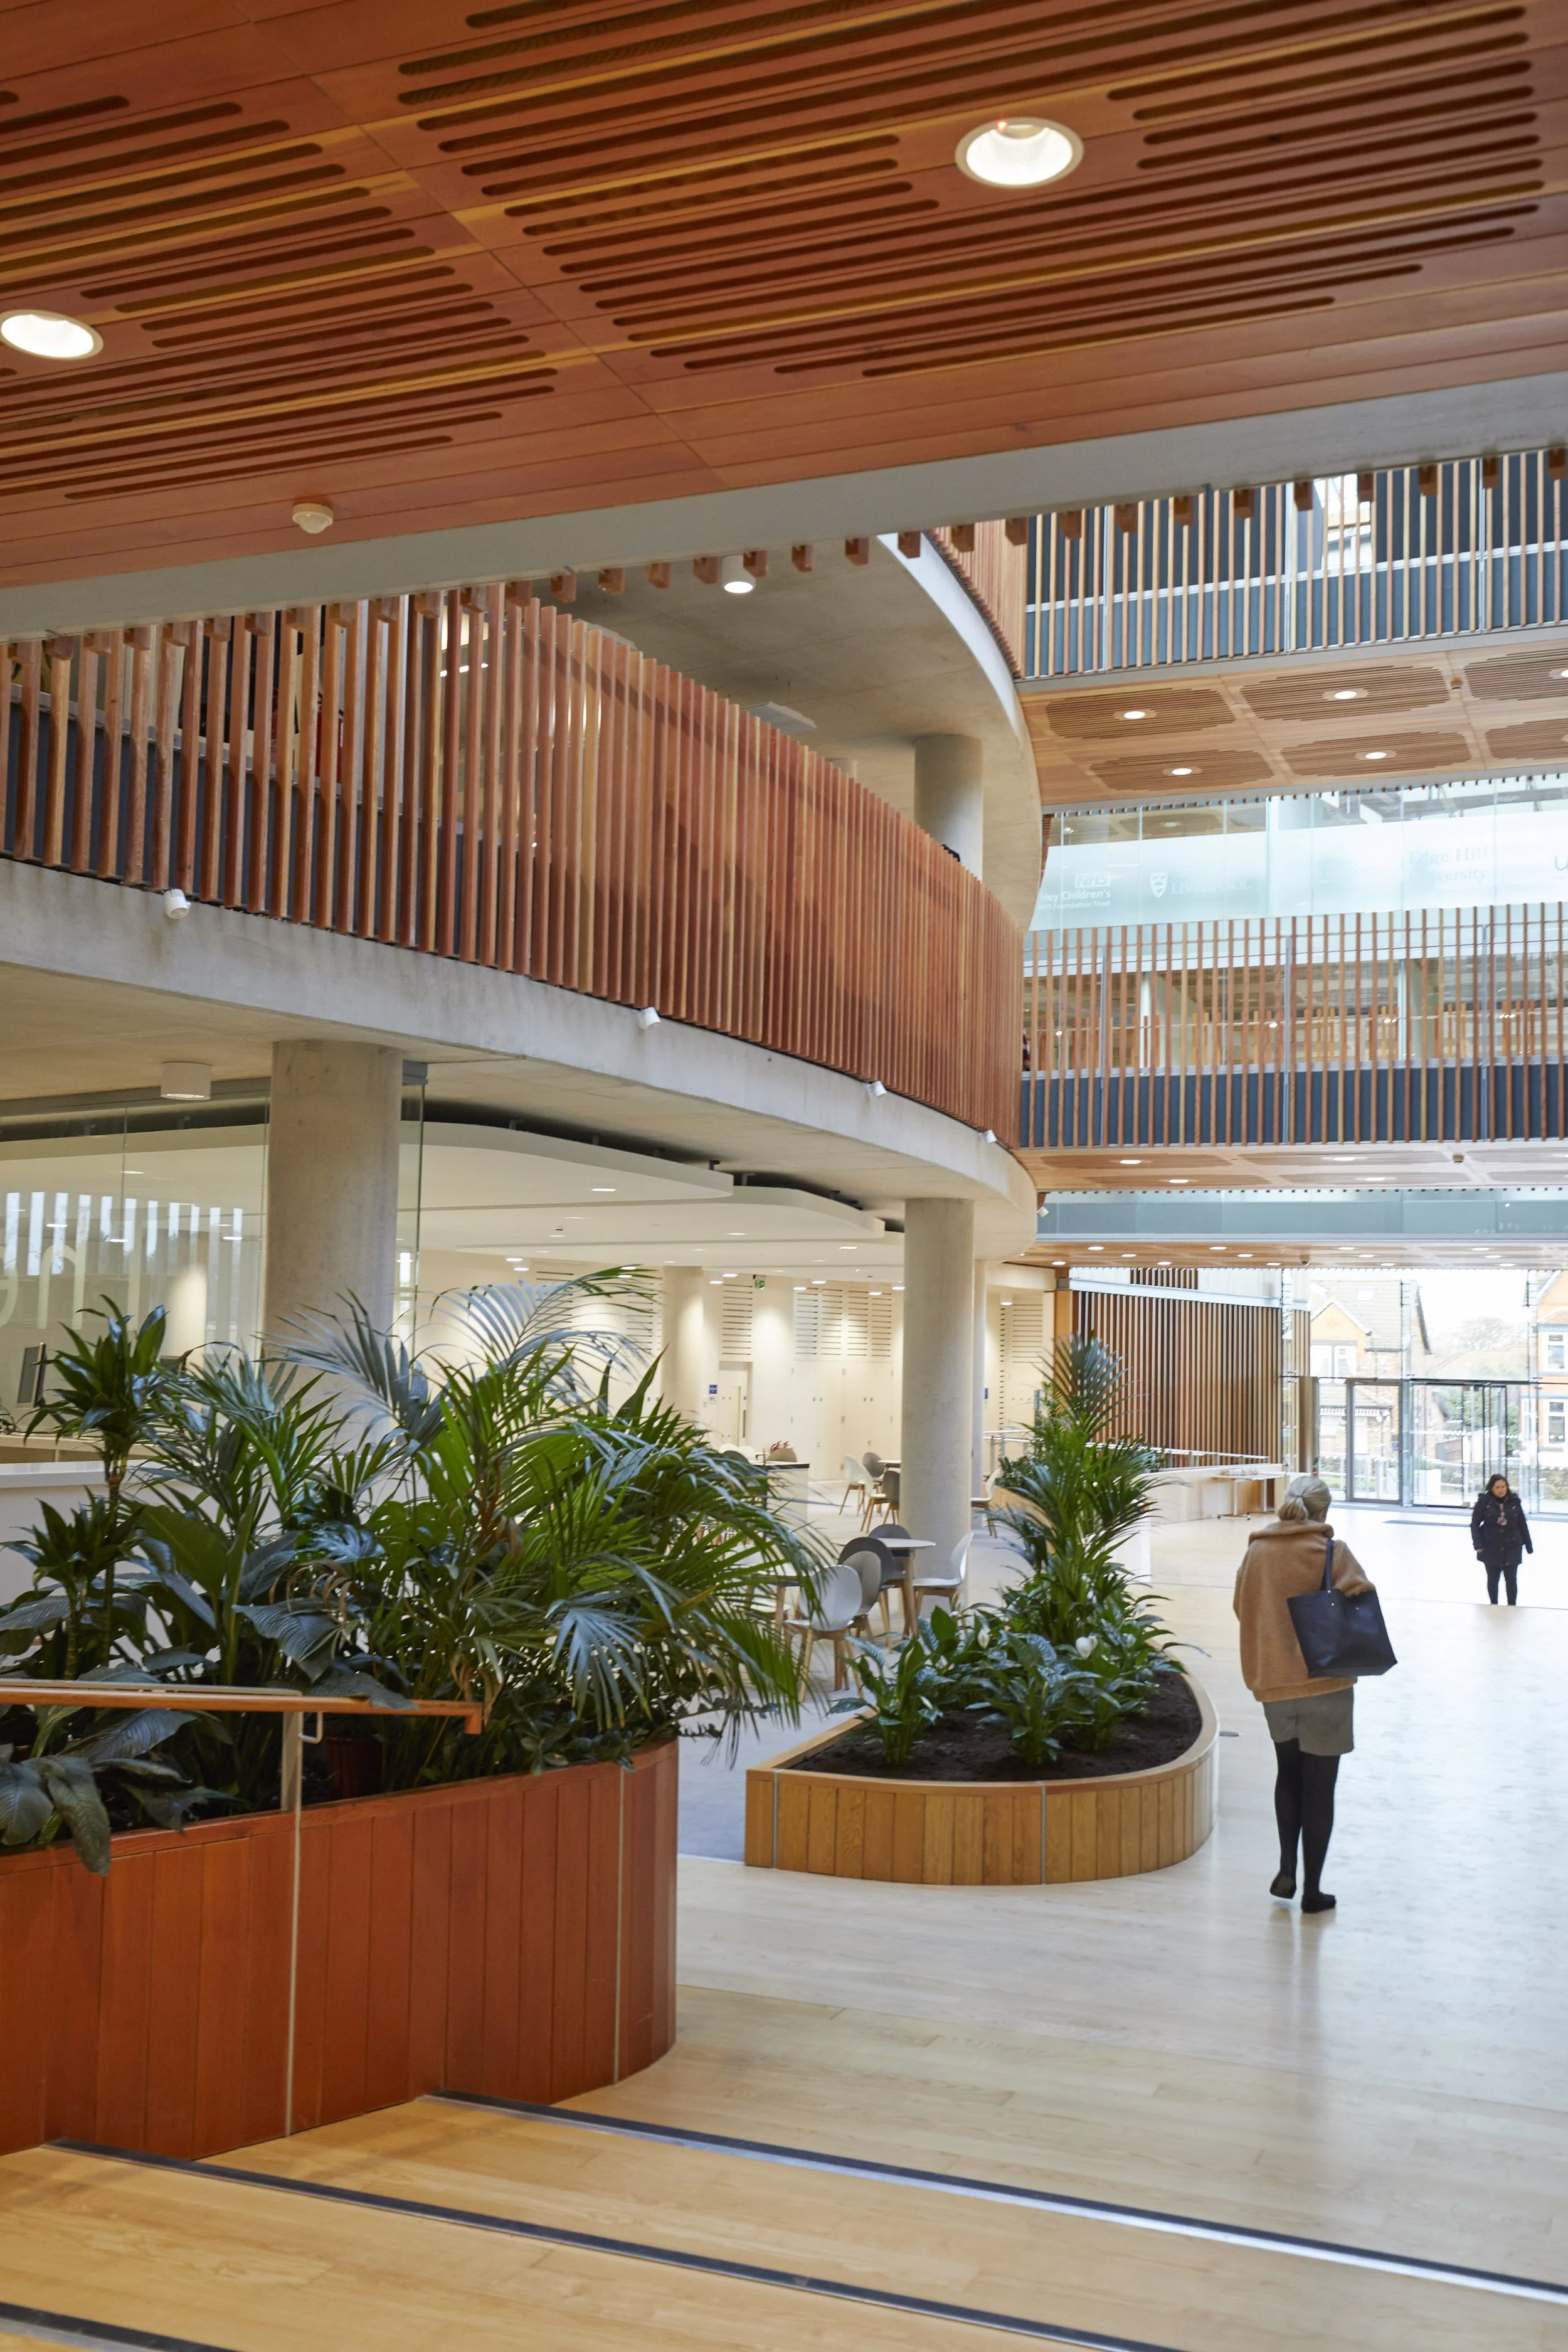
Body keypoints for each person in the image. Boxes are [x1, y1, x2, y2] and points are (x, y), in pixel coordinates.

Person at [1233, 1473, 1376, 1915]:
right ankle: (1313, 1889)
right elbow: (1362, 1599)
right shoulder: (1331, 1551)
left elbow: (1242, 1606)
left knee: (1287, 1775)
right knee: (1321, 1787)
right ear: (1323, 1511)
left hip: (1274, 1683)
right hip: (1326, 1682)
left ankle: (1285, 1868)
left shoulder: (1257, 1550)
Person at [1471, 1475, 1531, 1606]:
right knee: (1493, 1579)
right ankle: (1494, 1605)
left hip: (1512, 1546)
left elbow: (1522, 1523)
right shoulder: (1484, 1502)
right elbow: (1475, 1524)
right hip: (1490, 1545)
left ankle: (1512, 1606)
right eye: (1497, 1487)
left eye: (1503, 1486)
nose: (1501, 1490)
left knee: (1511, 1579)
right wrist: (1478, 1545)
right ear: (1491, 1488)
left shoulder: (1515, 1501)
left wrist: (1528, 1545)